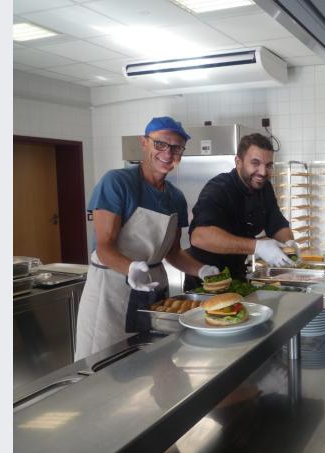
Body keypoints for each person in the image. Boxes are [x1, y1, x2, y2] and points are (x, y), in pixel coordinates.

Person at [75, 116, 220, 360]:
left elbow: (173, 253)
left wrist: (202, 270)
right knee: (104, 366)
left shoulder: (176, 197)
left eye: (176, 148)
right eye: (160, 144)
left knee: (150, 361)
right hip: (112, 291)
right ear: (144, 143)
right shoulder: (117, 182)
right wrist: (130, 268)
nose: (168, 153)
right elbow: (104, 247)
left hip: (153, 290)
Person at [184, 133, 296, 290]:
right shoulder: (219, 188)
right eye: (255, 163)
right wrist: (257, 247)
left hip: (237, 275)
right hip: (207, 278)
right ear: (238, 162)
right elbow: (199, 237)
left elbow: (276, 222)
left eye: (268, 165)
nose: (263, 172)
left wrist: (290, 244)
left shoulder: (264, 187)